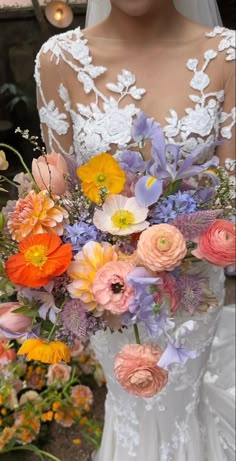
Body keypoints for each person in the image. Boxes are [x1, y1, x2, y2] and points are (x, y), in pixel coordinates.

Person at [35, 1, 235, 459]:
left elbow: (232, 190)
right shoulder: (58, 59)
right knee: (128, 400)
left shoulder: (226, 55)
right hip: (108, 292)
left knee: (179, 401)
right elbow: (60, 201)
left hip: (192, 293)